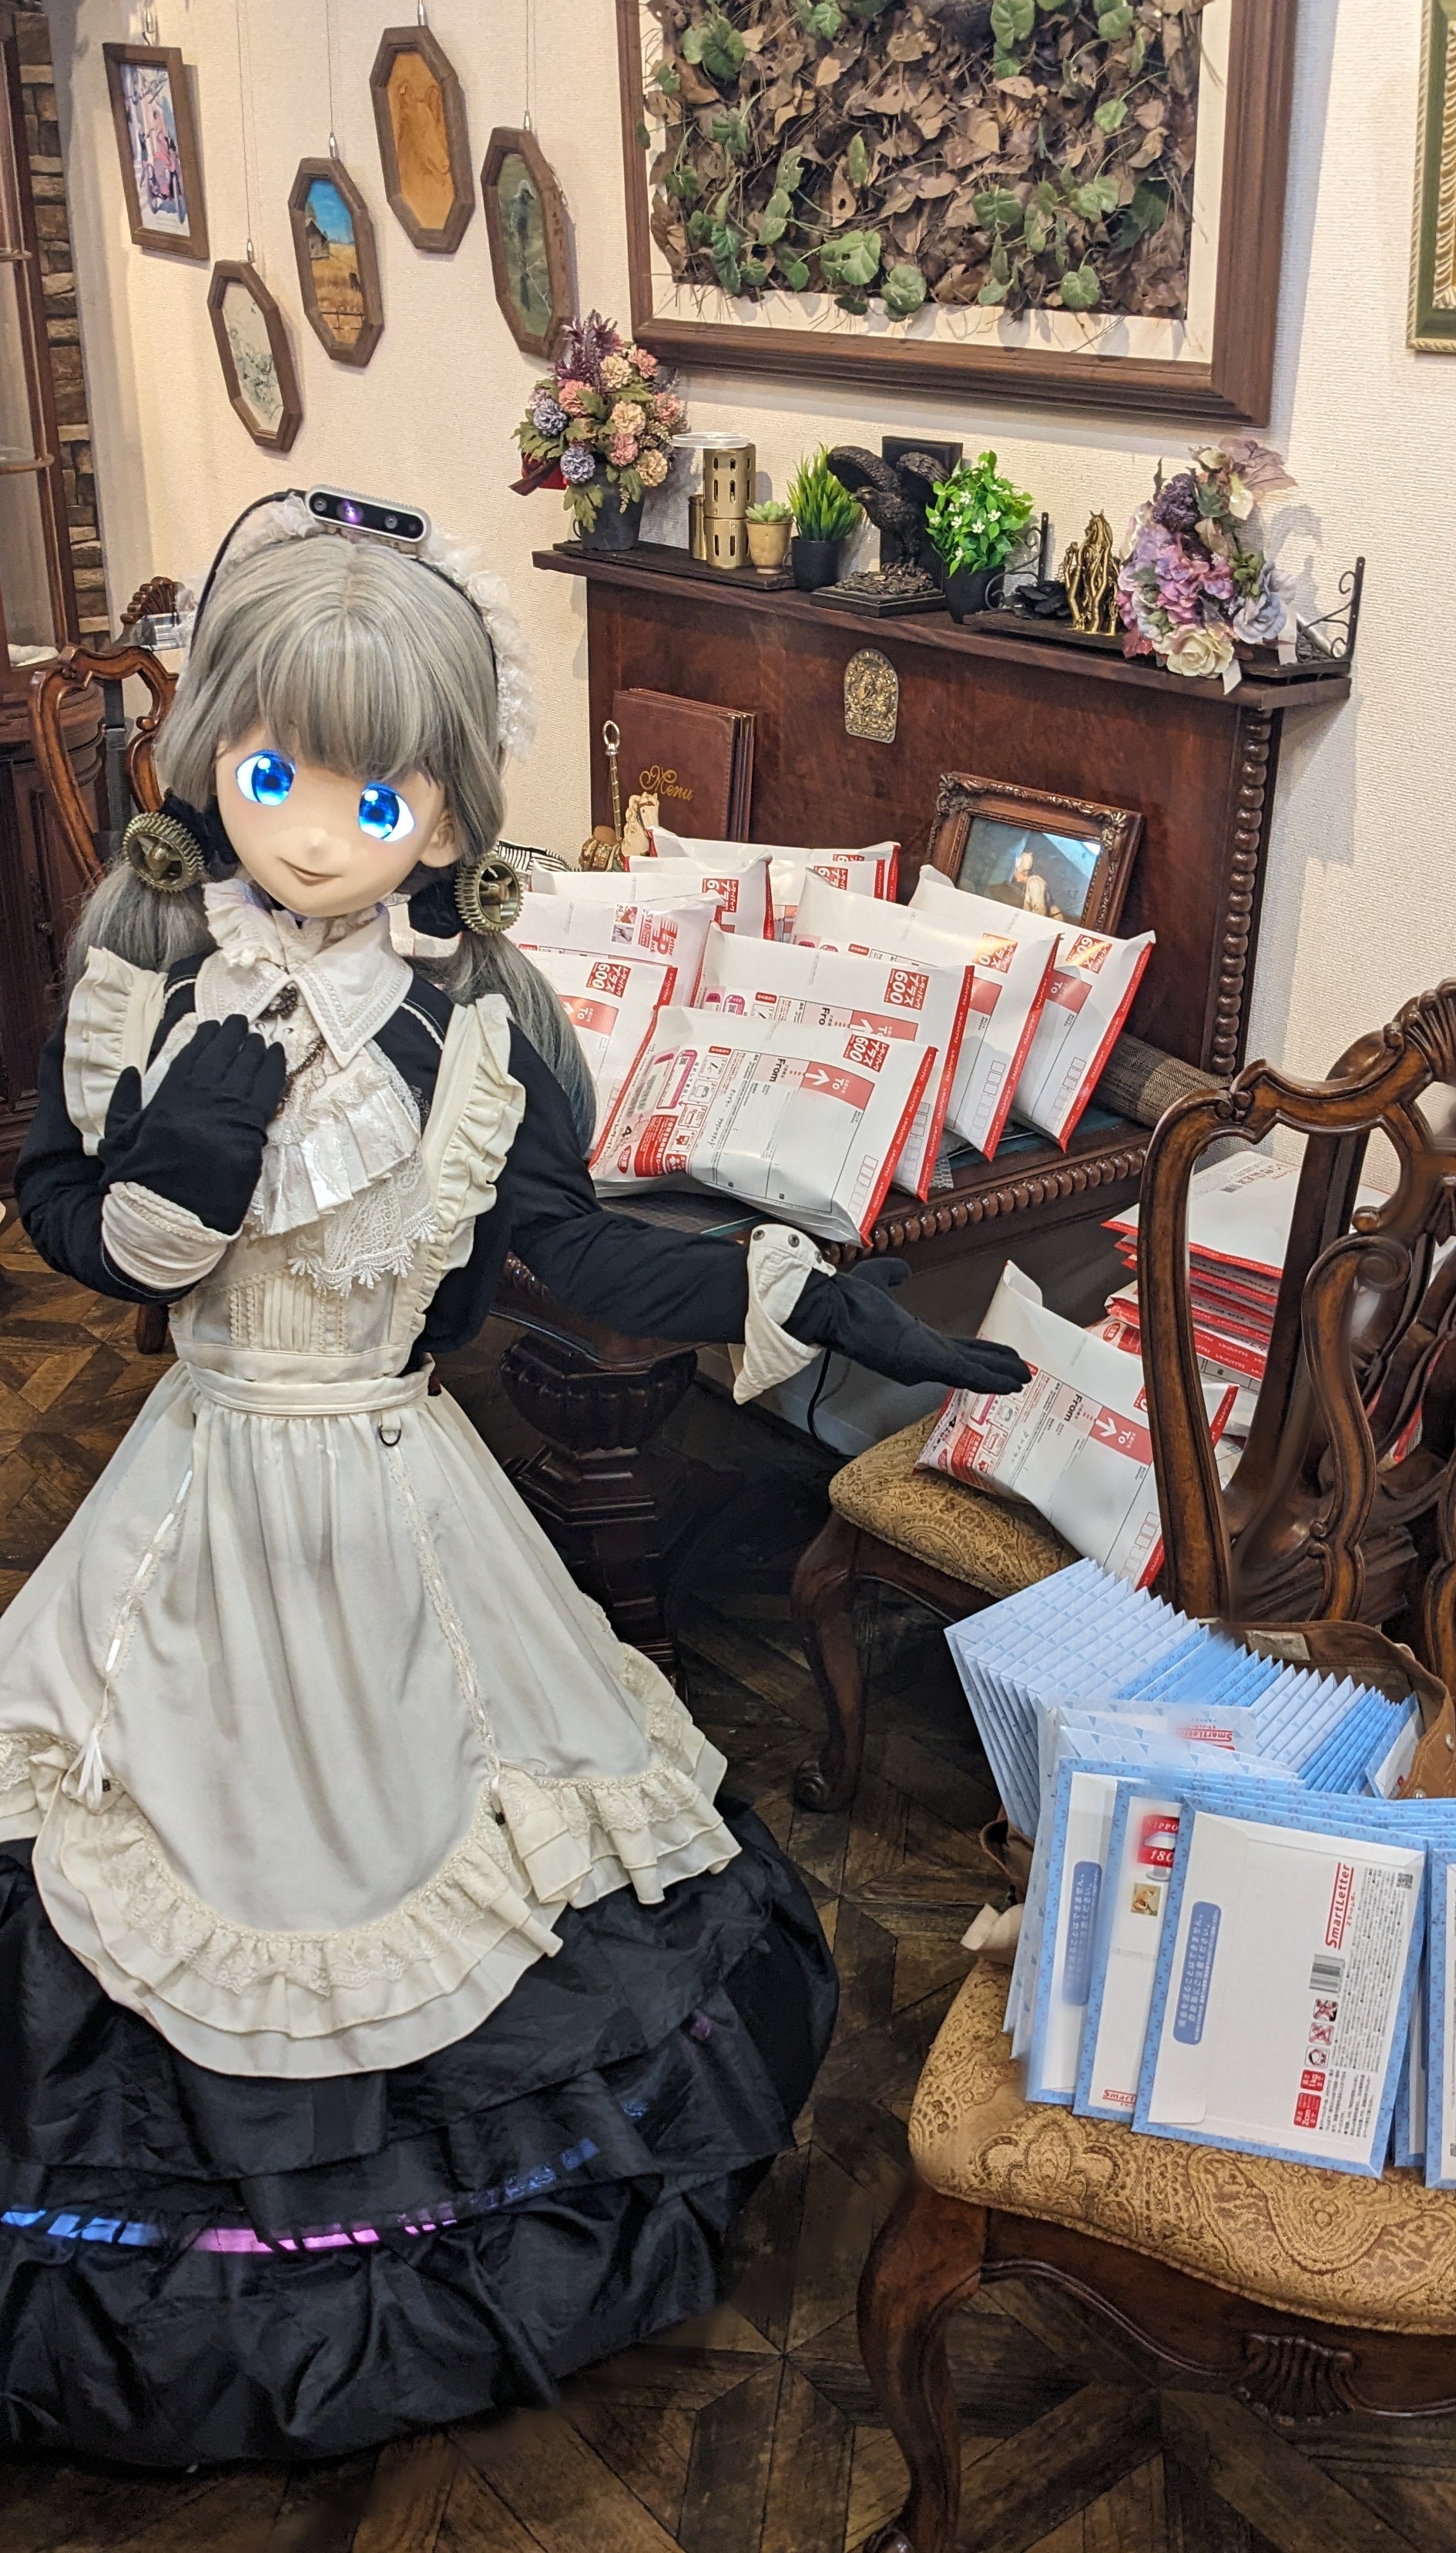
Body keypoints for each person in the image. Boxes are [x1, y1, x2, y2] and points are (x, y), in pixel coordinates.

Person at [0, 497, 1029, 2465]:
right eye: (275, 777)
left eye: (379, 798)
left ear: (452, 815)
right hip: (200, 1496)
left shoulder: (485, 1022)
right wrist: (169, 1180)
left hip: (401, 1491)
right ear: (211, 757)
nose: (317, 836)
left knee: (505, 1845)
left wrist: (797, 1293)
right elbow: (66, 1215)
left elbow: (565, 1253)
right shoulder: (147, 973)